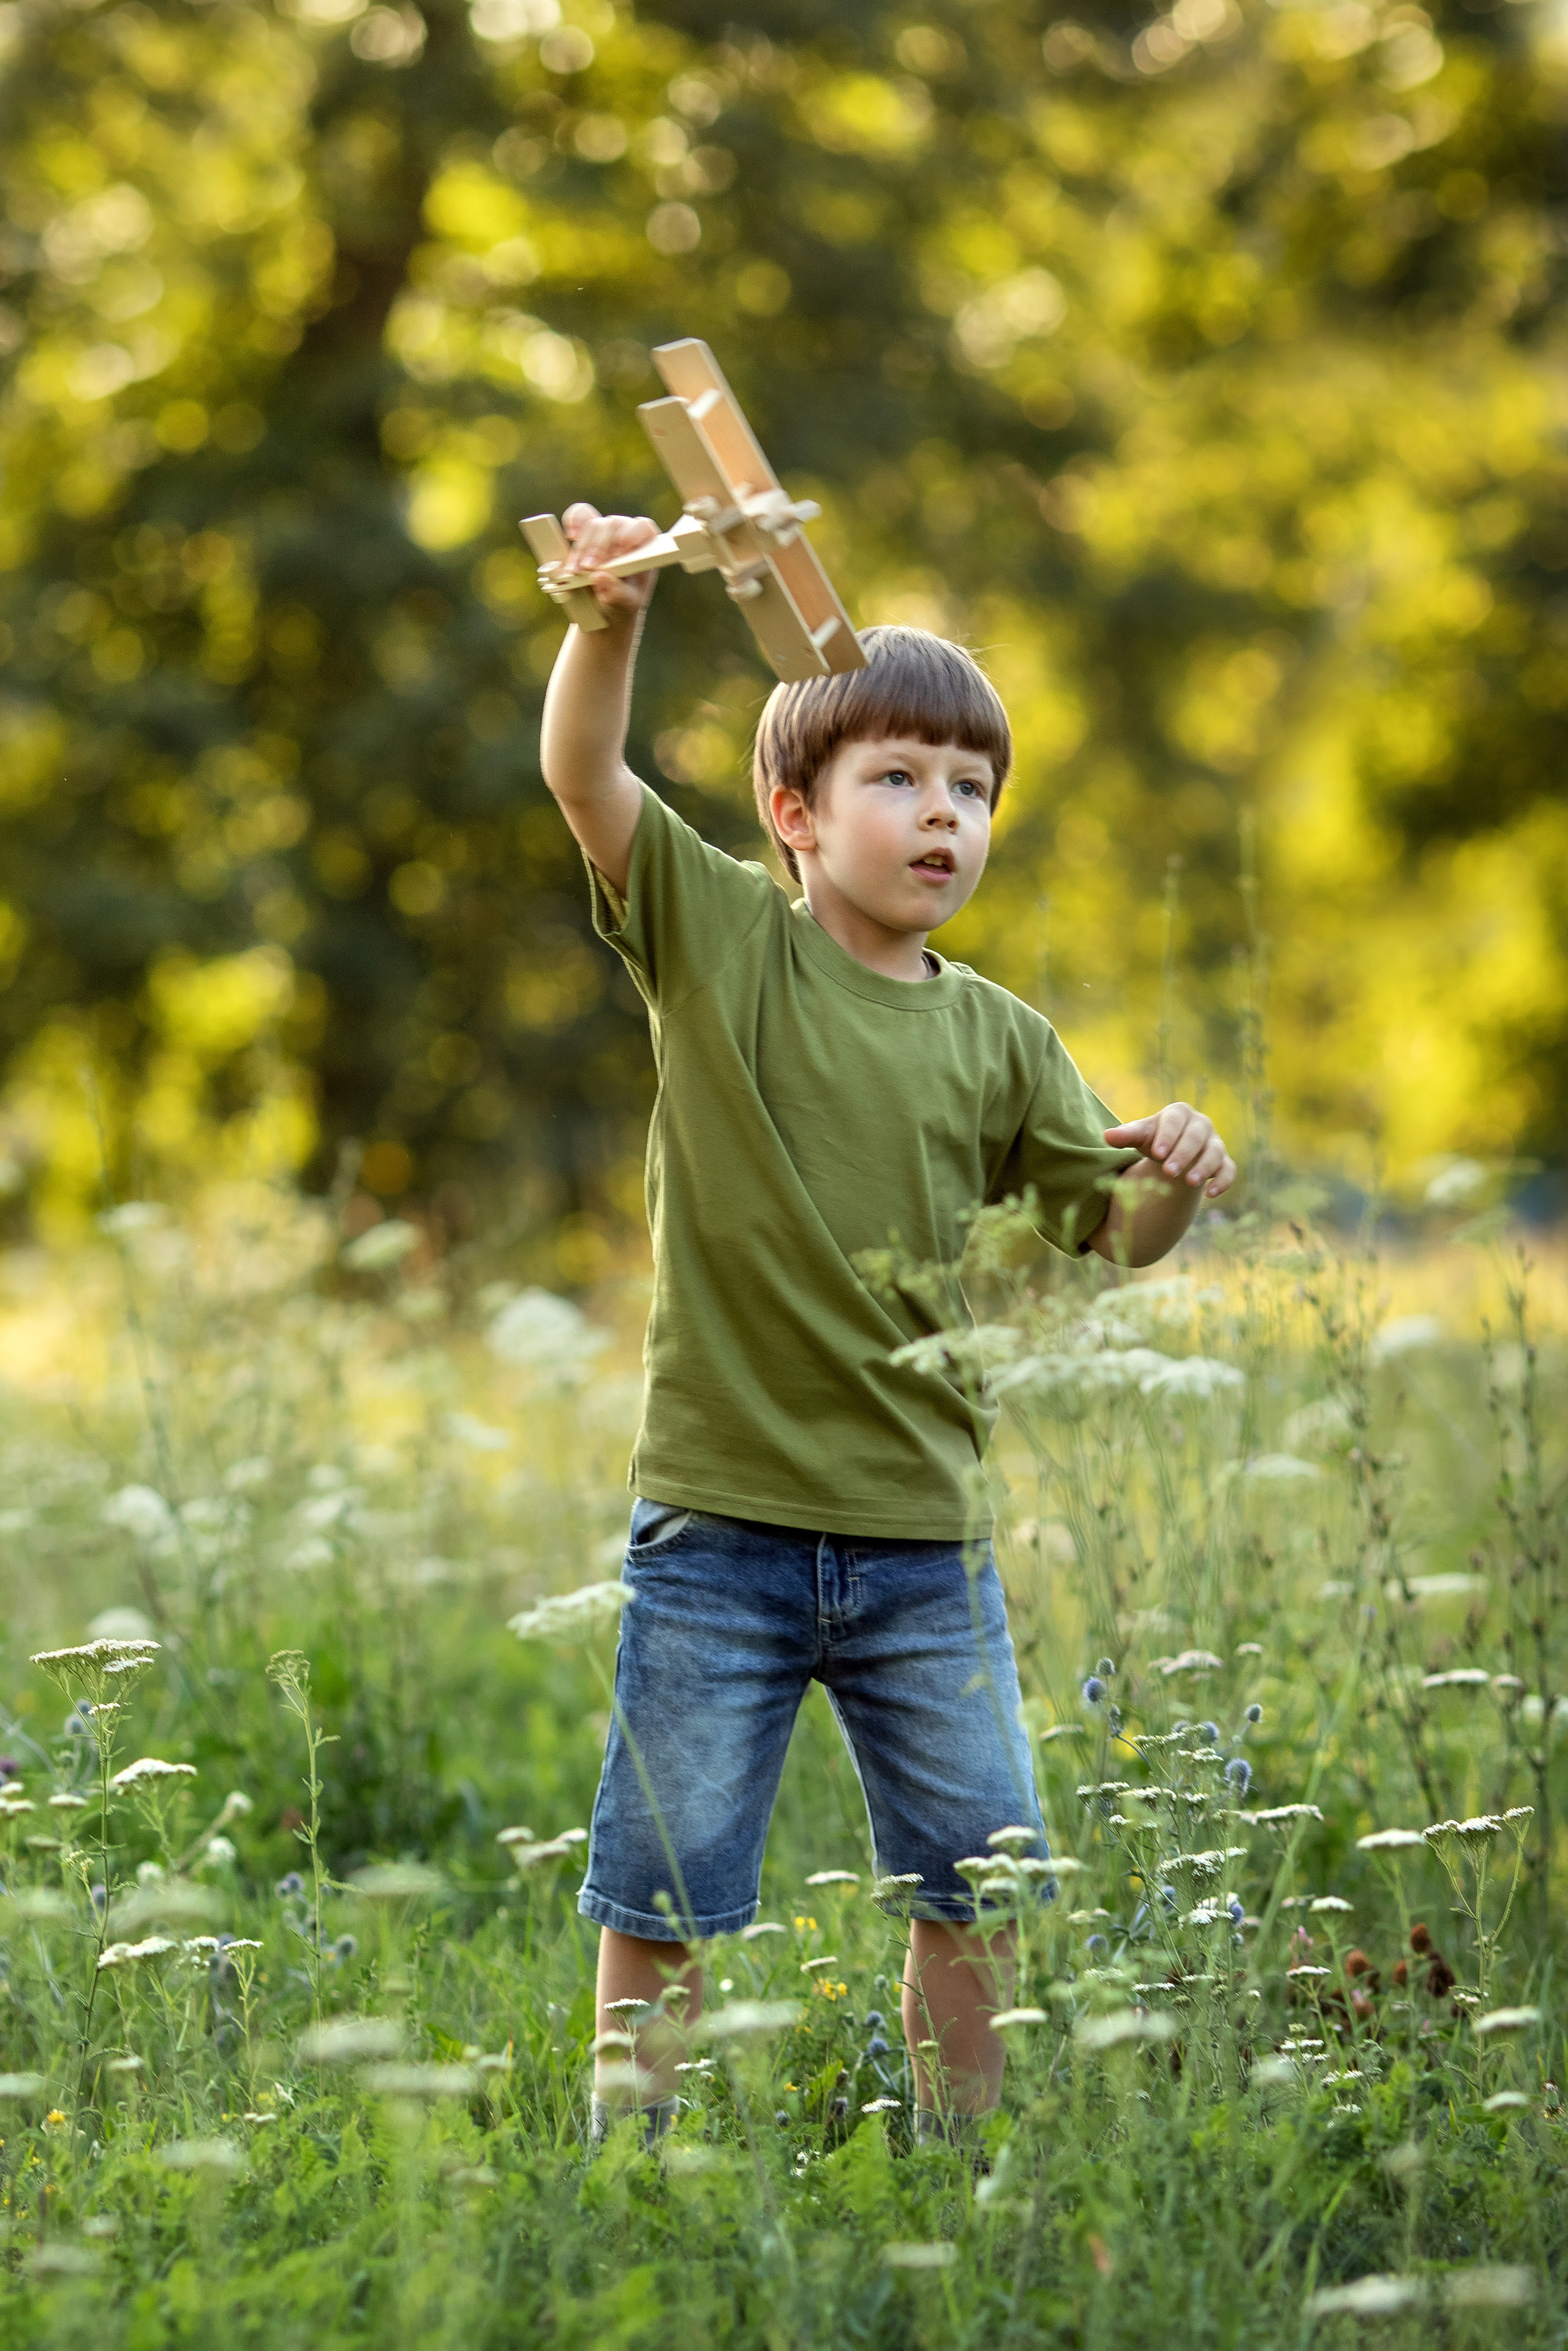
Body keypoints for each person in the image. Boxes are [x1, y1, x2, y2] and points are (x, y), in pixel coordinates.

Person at [537, 504, 1237, 2153]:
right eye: (900, 779)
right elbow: (584, 777)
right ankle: (631, 2163)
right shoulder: (720, 950)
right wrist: (613, 619)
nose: (946, 814)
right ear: (792, 812)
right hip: (720, 1521)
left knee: (977, 1877)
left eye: (973, 788)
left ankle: (961, 2164)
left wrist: (1182, 1183)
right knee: (666, 1878)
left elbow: (1108, 1235)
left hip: (925, 1537)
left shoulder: (1003, 1040)